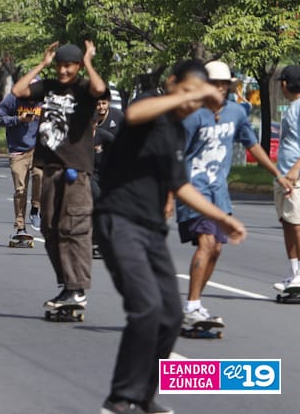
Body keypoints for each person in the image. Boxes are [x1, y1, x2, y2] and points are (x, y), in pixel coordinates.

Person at [94, 59, 246, 414]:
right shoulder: (148, 110)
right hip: (118, 221)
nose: (192, 104)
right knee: (145, 308)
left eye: (198, 100)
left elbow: (179, 184)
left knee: (171, 315)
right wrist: (187, 94)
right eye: (186, 94)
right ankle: (119, 398)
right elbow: (134, 114)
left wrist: (222, 218)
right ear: (171, 82)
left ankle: (144, 395)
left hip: (150, 229)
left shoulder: (177, 133)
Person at [176, 61, 289, 326]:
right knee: (205, 242)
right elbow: (176, 156)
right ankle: (192, 306)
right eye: (214, 84)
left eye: (223, 84)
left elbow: (253, 145)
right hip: (194, 189)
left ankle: (194, 305)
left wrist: (277, 174)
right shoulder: (191, 116)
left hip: (219, 192)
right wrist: (170, 196)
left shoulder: (236, 113)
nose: (219, 89)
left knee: (216, 248)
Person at [10, 41, 106, 310]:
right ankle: (67, 286)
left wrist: (88, 61)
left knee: (73, 229)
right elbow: (18, 91)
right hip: (49, 168)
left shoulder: (85, 89)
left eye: (70, 65)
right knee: (49, 228)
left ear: (77, 66)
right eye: (61, 65)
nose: (64, 70)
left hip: (75, 171)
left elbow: (100, 89)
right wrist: (42, 64)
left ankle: (77, 288)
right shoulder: (48, 86)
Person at [0, 84, 43, 236]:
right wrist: (18, 119)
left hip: (39, 148)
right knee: (20, 189)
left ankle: (36, 209)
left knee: (40, 177)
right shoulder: (13, 99)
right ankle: (20, 226)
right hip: (18, 150)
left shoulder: (45, 101)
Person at [272, 64, 300, 291]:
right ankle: (294, 273)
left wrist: (295, 170)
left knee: (297, 223)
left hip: (295, 176)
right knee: (287, 222)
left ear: (285, 84)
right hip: (284, 175)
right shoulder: (293, 106)